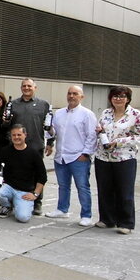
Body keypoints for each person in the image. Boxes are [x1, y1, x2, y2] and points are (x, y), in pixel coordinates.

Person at [44, 86, 97, 226]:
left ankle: (86, 215)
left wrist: (85, 154)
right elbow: (53, 132)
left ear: (81, 97)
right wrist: (49, 134)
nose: (72, 96)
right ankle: (62, 209)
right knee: (63, 185)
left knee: (82, 187)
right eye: (69, 93)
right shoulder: (59, 113)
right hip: (61, 156)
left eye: (75, 94)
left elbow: (92, 136)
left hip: (78, 157)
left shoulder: (87, 114)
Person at [94, 86, 140, 235]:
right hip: (103, 157)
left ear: (127, 99)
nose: (118, 99)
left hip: (124, 158)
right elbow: (101, 129)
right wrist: (99, 132)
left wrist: (120, 141)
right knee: (104, 190)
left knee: (124, 191)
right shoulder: (106, 112)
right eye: (115, 96)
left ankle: (125, 222)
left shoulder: (135, 114)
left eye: (122, 96)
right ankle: (107, 219)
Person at [3, 78, 50, 215]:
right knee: (14, 172)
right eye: (24, 86)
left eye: (29, 86)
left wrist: (51, 143)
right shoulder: (13, 104)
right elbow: (6, 125)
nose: (26, 88)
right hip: (16, 146)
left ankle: (37, 201)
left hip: (36, 145)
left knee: (37, 174)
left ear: (35, 87)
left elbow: (49, 125)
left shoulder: (43, 104)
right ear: (21, 88)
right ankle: (14, 199)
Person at [0, 125, 47, 223]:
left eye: (19, 135)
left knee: (23, 218)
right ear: (11, 137)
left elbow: (42, 176)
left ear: (25, 135)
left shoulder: (33, 153)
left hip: (25, 191)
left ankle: (19, 204)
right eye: (14, 135)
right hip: (9, 187)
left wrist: (35, 194)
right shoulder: (5, 151)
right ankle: (7, 206)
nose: (16, 137)